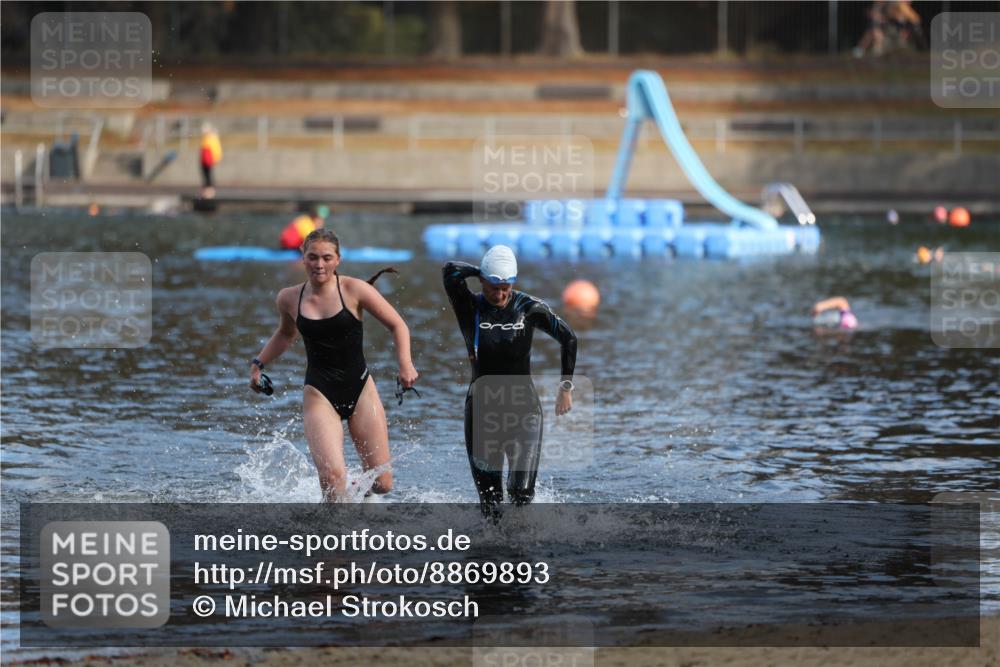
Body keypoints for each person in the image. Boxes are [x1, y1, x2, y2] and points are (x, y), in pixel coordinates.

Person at [250, 228, 418, 501]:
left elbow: (398, 325)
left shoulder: (354, 290)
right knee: (331, 478)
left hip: (360, 389)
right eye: (312, 257)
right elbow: (285, 334)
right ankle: (333, 537)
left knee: (382, 484)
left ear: (338, 259)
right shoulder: (289, 298)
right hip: (319, 393)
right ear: (303, 259)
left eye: (327, 258)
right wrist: (258, 364)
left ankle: (355, 490)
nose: (319, 264)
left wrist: (405, 365)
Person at [442, 245, 577, 518]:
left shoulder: (529, 307)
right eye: (494, 286)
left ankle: (521, 552)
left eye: (506, 286)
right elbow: (450, 271)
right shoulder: (469, 306)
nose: (500, 294)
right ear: (482, 280)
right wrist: (482, 270)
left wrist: (565, 387)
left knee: (521, 492)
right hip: (482, 411)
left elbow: (569, 338)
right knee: (490, 502)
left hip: (523, 410)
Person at [199, 123, 222, 198]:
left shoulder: (212, 138)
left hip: (208, 159)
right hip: (204, 159)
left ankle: (210, 192)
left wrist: (216, 158)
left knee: (208, 175)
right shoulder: (205, 138)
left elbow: (216, 150)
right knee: (205, 175)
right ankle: (206, 190)